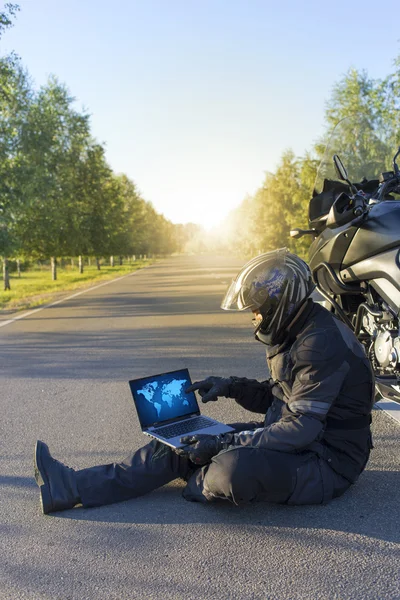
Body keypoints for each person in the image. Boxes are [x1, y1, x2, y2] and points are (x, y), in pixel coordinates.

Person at [34, 249, 374, 514]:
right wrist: (230, 385)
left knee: (233, 467)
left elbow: (303, 428)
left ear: (277, 304)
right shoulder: (301, 328)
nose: (253, 317)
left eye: (256, 309)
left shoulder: (320, 342)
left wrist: (225, 443)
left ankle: (201, 480)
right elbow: (281, 398)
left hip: (327, 461)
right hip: (297, 440)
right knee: (185, 437)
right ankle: (70, 487)